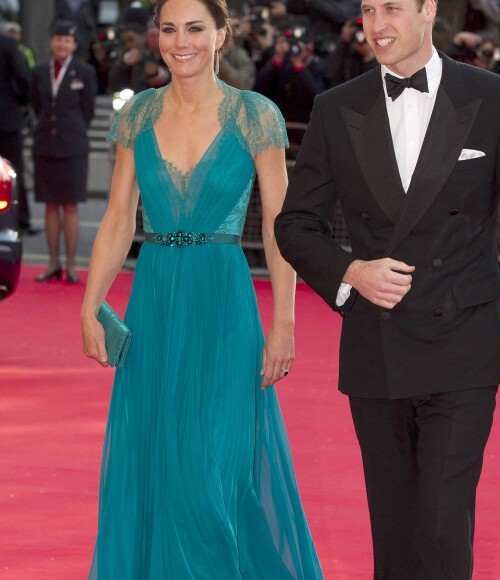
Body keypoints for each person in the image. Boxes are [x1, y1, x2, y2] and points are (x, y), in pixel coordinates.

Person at [275, 0, 500, 578]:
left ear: (429, 10)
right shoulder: (337, 109)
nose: (377, 24)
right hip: (376, 348)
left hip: (462, 345)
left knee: (441, 521)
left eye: (392, 9)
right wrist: (351, 272)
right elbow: (294, 226)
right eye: (367, 10)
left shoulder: (492, 97)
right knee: (395, 532)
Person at [81, 0, 323, 577]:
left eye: (194, 28)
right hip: (155, 303)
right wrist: (91, 305)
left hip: (224, 305)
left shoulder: (253, 115)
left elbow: (277, 224)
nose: (179, 41)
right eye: (168, 29)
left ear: (221, 37)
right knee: (158, 467)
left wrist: (284, 323)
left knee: (209, 470)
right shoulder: (137, 115)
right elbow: (119, 218)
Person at [31, 20, 97, 283]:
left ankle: (70, 265)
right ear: (51, 42)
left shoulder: (85, 72)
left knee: (70, 206)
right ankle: (52, 263)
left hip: (73, 146)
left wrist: (72, 129)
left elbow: (88, 110)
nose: (61, 44)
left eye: (67, 40)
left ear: (74, 45)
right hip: (46, 143)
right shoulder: (38, 72)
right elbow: (36, 104)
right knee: (49, 206)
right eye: (58, 39)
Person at [0, 32, 31, 234]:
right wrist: (22, 102)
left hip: (7, 116)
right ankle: (20, 219)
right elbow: (23, 75)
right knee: (14, 170)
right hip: (7, 117)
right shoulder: (8, 43)